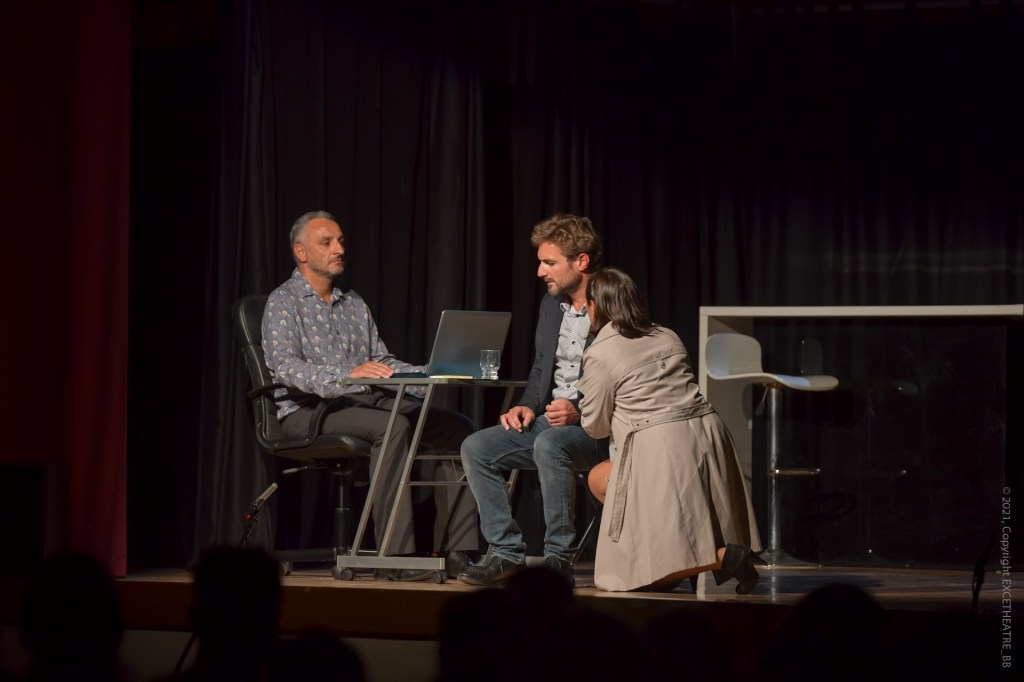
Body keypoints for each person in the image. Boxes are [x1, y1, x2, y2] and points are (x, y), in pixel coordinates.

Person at [262, 210, 478, 580]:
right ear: (301, 252)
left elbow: (381, 362)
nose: (339, 248)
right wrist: (346, 375)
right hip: (307, 410)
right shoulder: (284, 301)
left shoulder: (353, 303)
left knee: (458, 429)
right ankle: (394, 556)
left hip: (361, 401)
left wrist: (432, 372)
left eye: (341, 241)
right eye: (327, 242)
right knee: (392, 427)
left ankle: (456, 550)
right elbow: (284, 367)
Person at [577, 267, 761, 593]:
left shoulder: (600, 353)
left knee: (623, 580)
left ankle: (722, 558)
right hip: (707, 434)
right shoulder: (667, 335)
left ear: (595, 305)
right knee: (598, 478)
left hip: (660, 446)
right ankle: (683, 563)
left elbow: (596, 426)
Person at [458, 213, 608, 587]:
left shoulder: (611, 301)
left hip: (599, 427)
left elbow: (626, 378)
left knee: (550, 443)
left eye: (550, 263)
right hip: (551, 421)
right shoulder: (550, 304)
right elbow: (542, 366)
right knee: (477, 447)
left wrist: (580, 408)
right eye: (541, 262)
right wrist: (526, 403)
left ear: (581, 261)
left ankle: (559, 558)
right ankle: (506, 553)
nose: (541, 272)